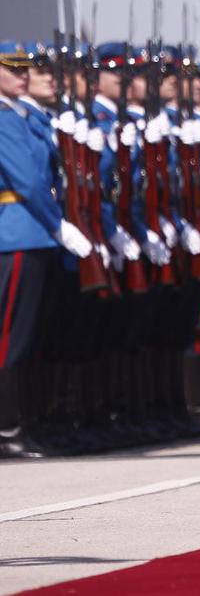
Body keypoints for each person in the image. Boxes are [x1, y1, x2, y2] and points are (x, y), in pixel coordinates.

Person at [0, 42, 92, 457]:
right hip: (19, 231)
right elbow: (28, 182)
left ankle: (25, 423)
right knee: (10, 337)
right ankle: (7, 429)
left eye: (26, 70)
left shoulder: (22, 116)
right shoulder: (4, 119)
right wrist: (58, 225)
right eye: (13, 69)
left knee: (30, 334)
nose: (23, 75)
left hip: (36, 231)